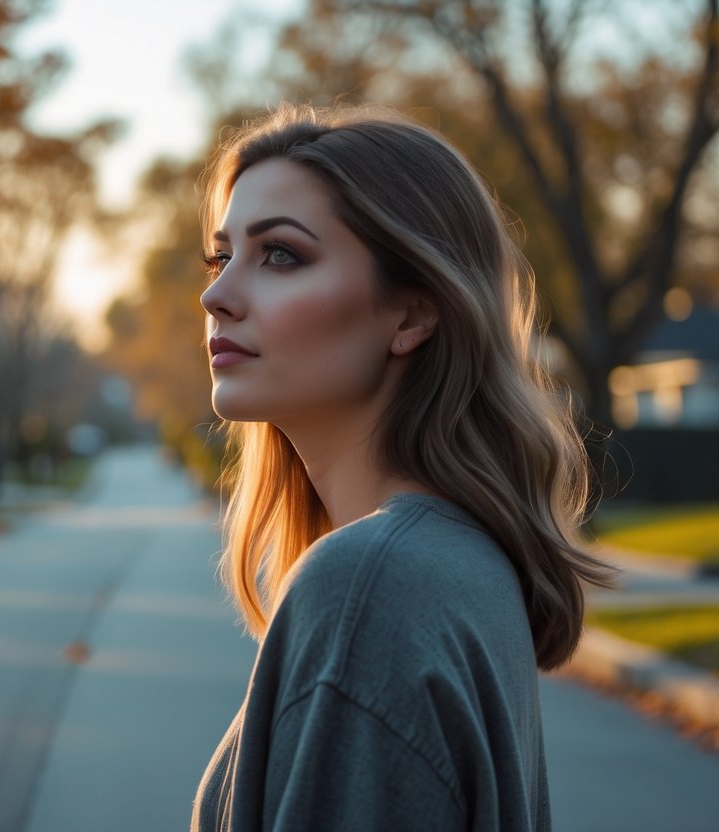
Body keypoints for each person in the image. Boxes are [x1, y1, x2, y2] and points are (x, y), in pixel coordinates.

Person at [190, 104, 614, 832]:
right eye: (222, 256)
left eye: (281, 255)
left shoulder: (371, 588)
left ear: (411, 315)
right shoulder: (447, 561)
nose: (216, 296)